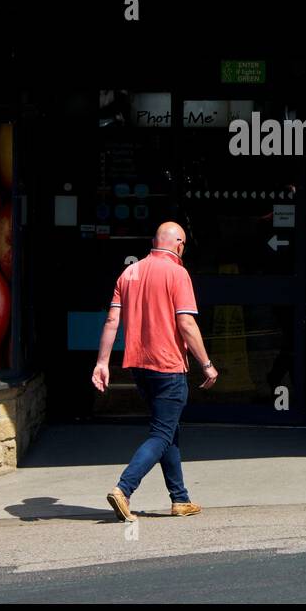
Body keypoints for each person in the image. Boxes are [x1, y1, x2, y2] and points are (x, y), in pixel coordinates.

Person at [92, 222, 218, 522]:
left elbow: (111, 321)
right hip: (168, 366)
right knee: (162, 433)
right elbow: (186, 324)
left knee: (169, 430)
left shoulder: (130, 272)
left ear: (153, 241)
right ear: (179, 245)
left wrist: (101, 363)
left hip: (139, 367)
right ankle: (124, 488)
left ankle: (180, 499)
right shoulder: (178, 273)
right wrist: (207, 365)